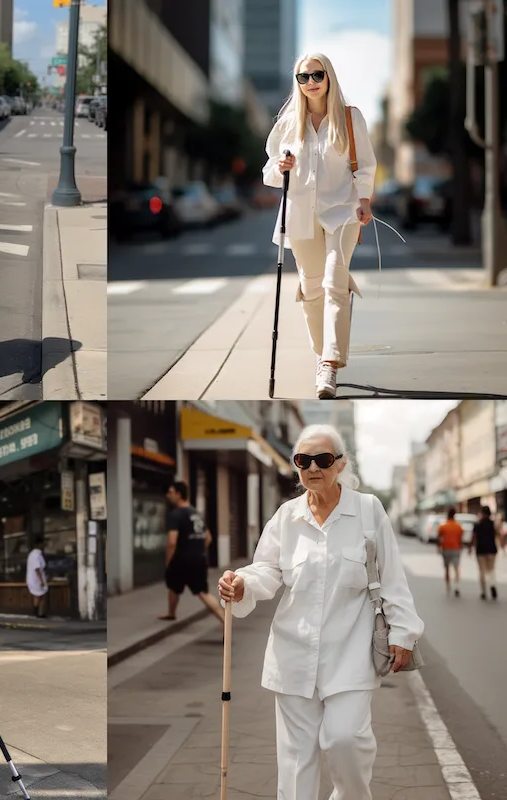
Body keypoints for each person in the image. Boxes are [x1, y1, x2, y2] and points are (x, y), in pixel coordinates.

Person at [218, 424, 423, 800]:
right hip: (293, 654)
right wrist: (243, 583)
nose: (313, 467)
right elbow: (267, 569)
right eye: (303, 460)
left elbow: (392, 576)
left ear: (341, 464)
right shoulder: (286, 516)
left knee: (348, 742)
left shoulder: (367, 509)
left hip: (350, 654)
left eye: (323, 459)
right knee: (296, 761)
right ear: (296, 466)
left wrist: (403, 633)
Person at [262, 53, 376, 399]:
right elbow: (268, 170)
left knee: (334, 283)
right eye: (303, 76)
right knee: (312, 290)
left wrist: (365, 200)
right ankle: (320, 354)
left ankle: (330, 363)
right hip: (301, 213)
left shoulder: (349, 117)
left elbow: (365, 166)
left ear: (329, 77)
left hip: (342, 212)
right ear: (297, 83)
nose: (311, 81)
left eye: (317, 74)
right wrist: (280, 166)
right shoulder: (287, 122)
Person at [157, 481, 224, 626]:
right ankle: (171, 612)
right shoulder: (195, 513)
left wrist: (168, 562)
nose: (168, 496)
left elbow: (171, 542)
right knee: (176, 586)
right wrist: (197, 550)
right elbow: (208, 537)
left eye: (171, 492)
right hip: (199, 558)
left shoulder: (175, 515)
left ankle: (225, 620)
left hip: (182, 559)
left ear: (178, 494)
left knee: (197, 591)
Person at [469, 505, 499, 600]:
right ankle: (492, 584)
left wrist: (470, 547)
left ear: (482, 513)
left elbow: (473, 537)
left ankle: (483, 591)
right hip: (491, 549)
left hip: (480, 549)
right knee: (491, 569)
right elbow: (498, 534)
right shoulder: (492, 523)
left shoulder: (477, 524)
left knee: (482, 570)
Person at [437, 508, 463, 597]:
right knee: (456, 568)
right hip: (456, 548)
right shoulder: (458, 526)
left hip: (446, 548)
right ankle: (457, 586)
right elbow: (460, 539)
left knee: (447, 568)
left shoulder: (443, 526)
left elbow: (439, 538)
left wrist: (439, 547)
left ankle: (448, 586)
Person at [26, 536, 48, 618]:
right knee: (38, 596)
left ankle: (40, 613)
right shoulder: (35, 555)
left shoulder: (37, 554)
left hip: (37, 578)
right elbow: (37, 568)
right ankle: (37, 613)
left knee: (39, 596)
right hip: (36, 579)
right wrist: (41, 580)